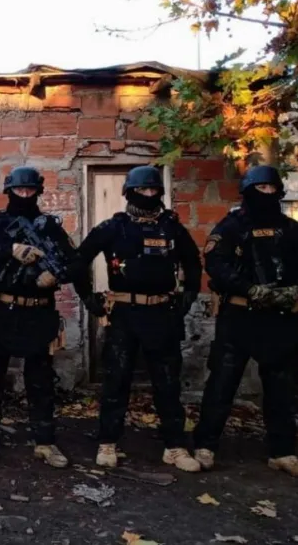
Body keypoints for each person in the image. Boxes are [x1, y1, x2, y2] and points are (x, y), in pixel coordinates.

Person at [192, 165, 298, 477]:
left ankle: (282, 452)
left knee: (280, 387)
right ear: (249, 191)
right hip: (239, 317)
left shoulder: (290, 229)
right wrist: (248, 289)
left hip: (279, 318)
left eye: (270, 189)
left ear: (278, 191)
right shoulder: (232, 225)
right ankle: (205, 446)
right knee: (222, 383)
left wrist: (297, 289)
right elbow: (216, 263)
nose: (266, 194)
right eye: (260, 189)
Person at [0, 166, 96, 468]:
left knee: (40, 381)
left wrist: (55, 274)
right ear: (9, 191)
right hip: (0, 312)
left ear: (38, 191)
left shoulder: (49, 227)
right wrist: (11, 249)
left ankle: (45, 442)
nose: (24, 194)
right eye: (19, 190)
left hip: (37, 313)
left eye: (29, 190)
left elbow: (76, 263)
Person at [77, 165, 203, 472]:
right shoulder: (113, 228)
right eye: (142, 190)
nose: (149, 195)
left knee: (168, 383)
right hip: (124, 316)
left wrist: (187, 298)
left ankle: (174, 446)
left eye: (153, 190)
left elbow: (193, 263)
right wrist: (89, 298)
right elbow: (79, 260)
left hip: (162, 314)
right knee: (116, 380)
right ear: (129, 193)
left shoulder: (172, 228)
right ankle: (108, 442)